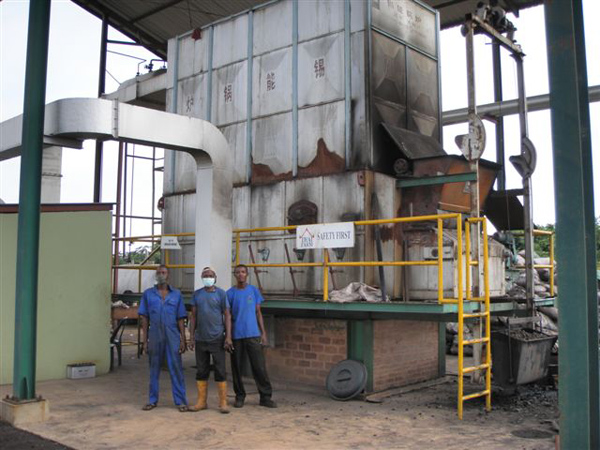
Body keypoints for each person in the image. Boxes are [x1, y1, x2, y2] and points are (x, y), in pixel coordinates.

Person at [139, 265, 188, 412]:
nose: (161, 274)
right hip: (155, 334)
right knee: (154, 368)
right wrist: (145, 341)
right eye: (159, 272)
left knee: (176, 367)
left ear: (168, 275)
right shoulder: (148, 294)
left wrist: (183, 339)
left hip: (172, 334)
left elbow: (180, 318)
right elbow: (144, 318)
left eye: (164, 272)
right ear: (156, 275)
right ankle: (152, 400)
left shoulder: (176, 294)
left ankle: (180, 401)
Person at [227, 264, 277, 408]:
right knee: (236, 368)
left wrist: (264, 333)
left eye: (243, 272)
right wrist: (228, 336)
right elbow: (228, 316)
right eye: (238, 272)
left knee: (259, 367)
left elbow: (258, 313)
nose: (240, 274)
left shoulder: (253, 291)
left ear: (247, 274)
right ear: (235, 275)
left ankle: (265, 397)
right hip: (237, 336)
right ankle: (239, 396)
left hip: (253, 334)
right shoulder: (230, 293)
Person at [188, 267, 233, 413]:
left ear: (215, 277)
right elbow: (193, 316)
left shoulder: (221, 294)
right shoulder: (197, 294)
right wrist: (191, 337)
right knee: (201, 370)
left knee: (220, 370)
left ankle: (223, 402)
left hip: (217, 338)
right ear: (201, 277)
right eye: (205, 275)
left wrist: (228, 336)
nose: (208, 277)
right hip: (201, 339)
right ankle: (201, 402)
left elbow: (227, 315)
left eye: (210, 275)